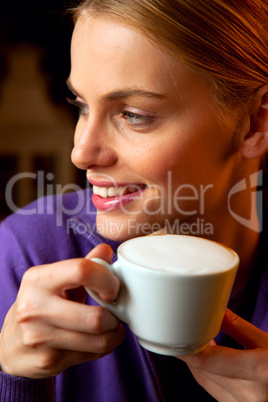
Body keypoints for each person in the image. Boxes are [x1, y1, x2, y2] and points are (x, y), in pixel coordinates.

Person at [0, 0, 268, 400]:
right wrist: (14, 379)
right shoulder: (28, 255)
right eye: (82, 106)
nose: (82, 153)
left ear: (255, 122)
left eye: (134, 114)